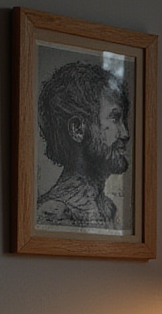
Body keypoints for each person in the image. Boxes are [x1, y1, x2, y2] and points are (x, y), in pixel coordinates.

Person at [36, 61, 131, 229]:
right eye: (114, 118)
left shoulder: (109, 209)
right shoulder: (52, 213)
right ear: (78, 129)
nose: (125, 134)